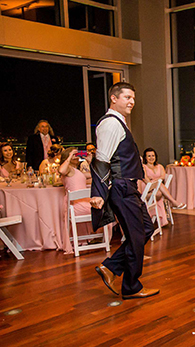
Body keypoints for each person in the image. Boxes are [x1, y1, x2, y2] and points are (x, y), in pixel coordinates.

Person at [90, 82, 159, 300]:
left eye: (133, 99)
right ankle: (131, 286)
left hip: (128, 187)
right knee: (137, 235)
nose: (131, 102)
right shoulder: (110, 124)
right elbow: (101, 161)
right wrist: (98, 193)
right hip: (121, 188)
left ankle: (111, 267)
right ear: (114, 98)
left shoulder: (119, 123)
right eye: (127, 97)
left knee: (146, 229)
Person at [59, 147, 111, 253]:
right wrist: (69, 156)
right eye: (74, 154)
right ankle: (103, 239)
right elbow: (61, 170)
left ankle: (101, 238)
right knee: (106, 212)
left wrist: (89, 160)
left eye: (77, 154)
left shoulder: (77, 171)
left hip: (82, 203)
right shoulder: (68, 169)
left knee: (106, 209)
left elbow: (95, 174)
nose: (77, 156)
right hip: (76, 205)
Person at [141, 148, 186, 226]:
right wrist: (155, 181)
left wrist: (154, 180)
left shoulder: (159, 166)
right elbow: (146, 180)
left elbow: (163, 177)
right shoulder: (143, 167)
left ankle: (172, 203)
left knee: (159, 192)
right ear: (145, 157)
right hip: (147, 190)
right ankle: (174, 202)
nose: (151, 158)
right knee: (159, 185)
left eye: (153, 156)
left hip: (157, 190)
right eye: (149, 156)